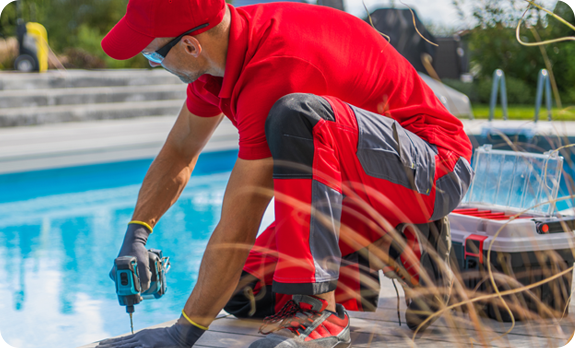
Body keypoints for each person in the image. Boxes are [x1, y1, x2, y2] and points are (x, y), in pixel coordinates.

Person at [96, 0, 474, 347]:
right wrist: (137, 233)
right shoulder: (219, 62)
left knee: (296, 116)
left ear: (191, 46)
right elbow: (180, 150)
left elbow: (239, 225)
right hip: (361, 184)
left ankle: (321, 309)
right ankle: (389, 239)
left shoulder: (275, 67)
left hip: (433, 167)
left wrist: (182, 333)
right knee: (243, 292)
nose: (154, 63)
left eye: (153, 55)